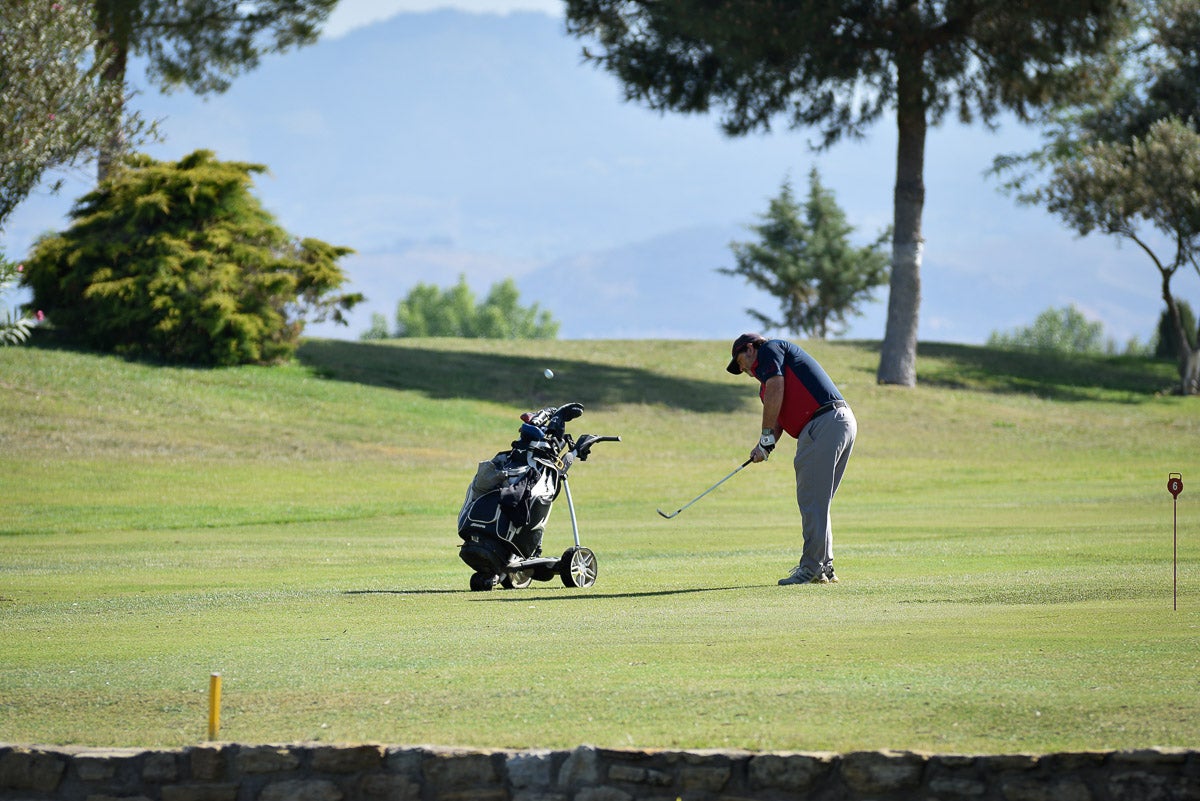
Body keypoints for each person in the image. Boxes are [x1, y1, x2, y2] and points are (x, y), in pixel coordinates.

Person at [726, 333, 857, 585]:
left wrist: (765, 436)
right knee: (818, 501)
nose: (742, 369)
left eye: (739, 360)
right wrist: (764, 446)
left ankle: (811, 568)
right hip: (839, 421)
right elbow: (778, 422)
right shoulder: (766, 386)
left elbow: (776, 384)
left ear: (751, 348)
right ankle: (825, 567)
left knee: (811, 501)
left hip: (823, 423)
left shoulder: (770, 350)